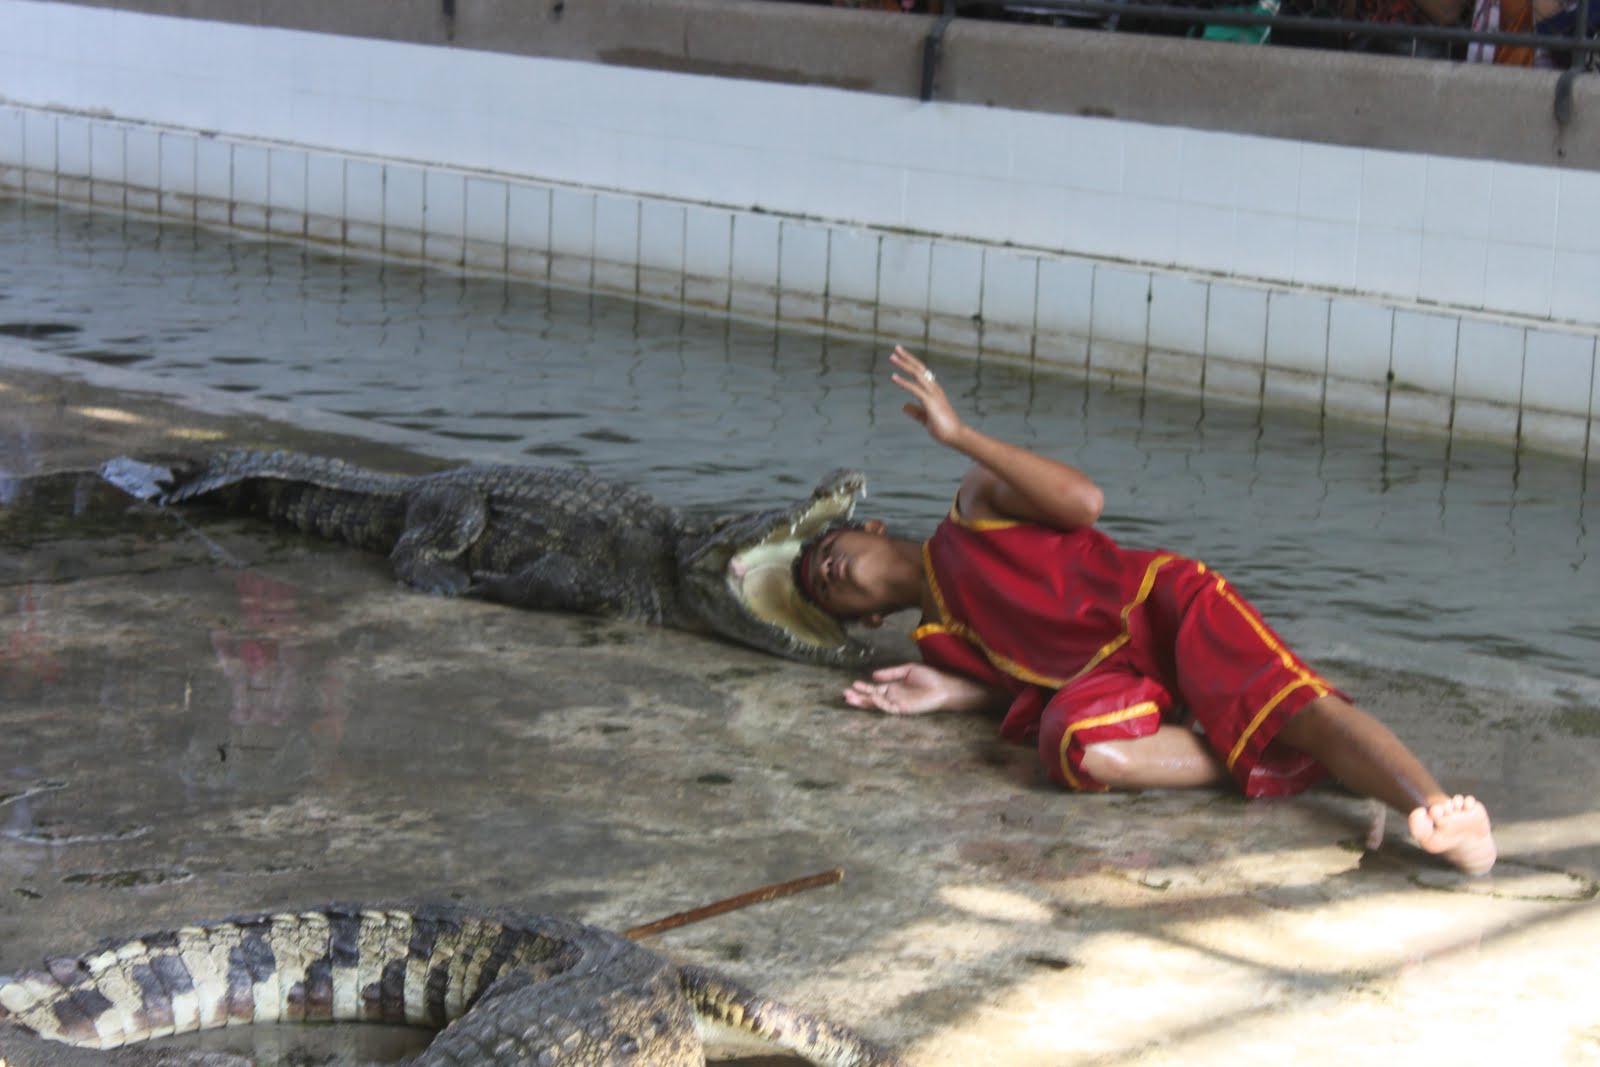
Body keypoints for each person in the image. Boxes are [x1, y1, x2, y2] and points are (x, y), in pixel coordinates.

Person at [802, 345, 1497, 876]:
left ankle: (1442, 815)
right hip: (1111, 686)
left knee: (1299, 707)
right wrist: (952, 691)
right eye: (822, 587)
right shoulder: (934, 641)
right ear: (864, 620)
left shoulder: (975, 506)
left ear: (873, 528)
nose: (827, 570)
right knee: (1072, 748)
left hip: (1157, 608)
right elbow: (1027, 686)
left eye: (828, 548)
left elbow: (1086, 503)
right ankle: (1254, 753)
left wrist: (961, 437)